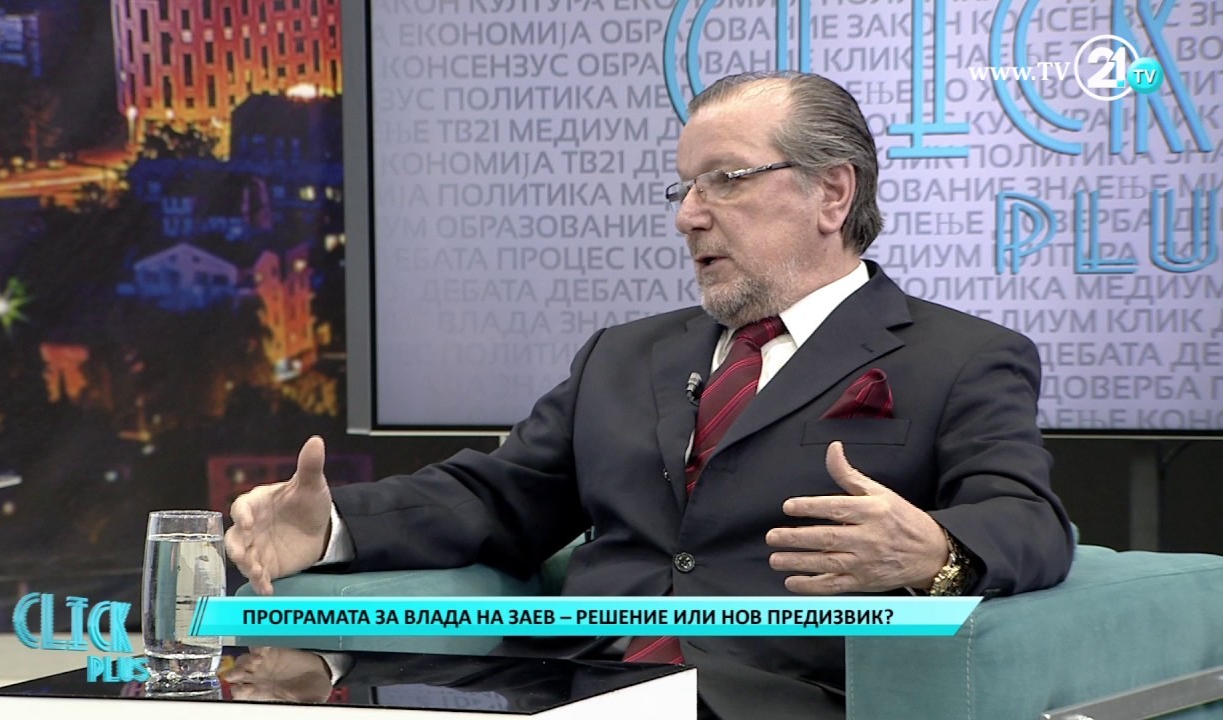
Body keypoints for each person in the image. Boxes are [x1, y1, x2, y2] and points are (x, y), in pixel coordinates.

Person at [227, 71, 1074, 719]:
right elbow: (501, 496)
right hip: (570, 686)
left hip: (773, 700)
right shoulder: (625, 355)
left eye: (726, 180)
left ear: (832, 193)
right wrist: (330, 527)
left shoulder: (959, 357)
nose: (689, 217)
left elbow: (1026, 517)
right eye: (685, 188)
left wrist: (937, 552)